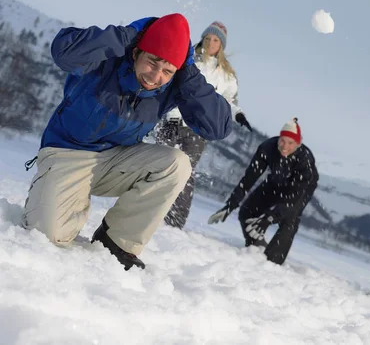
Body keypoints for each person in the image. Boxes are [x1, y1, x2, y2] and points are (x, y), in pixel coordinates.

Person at [21, 14, 232, 270]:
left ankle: (117, 241)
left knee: (177, 164)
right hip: (68, 153)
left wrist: (188, 74)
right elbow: (63, 51)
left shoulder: (176, 83)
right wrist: (125, 36)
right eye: (151, 63)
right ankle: (61, 198)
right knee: (48, 235)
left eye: (167, 70)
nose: (155, 77)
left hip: (117, 159)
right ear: (136, 53)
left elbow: (218, 127)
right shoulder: (107, 58)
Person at [156, 21, 251, 229]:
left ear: (221, 45)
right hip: (172, 119)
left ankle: (174, 221)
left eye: (215, 40)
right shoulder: (188, 58)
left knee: (185, 172)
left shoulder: (227, 76)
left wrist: (239, 115)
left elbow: (230, 103)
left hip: (196, 129)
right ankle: (148, 206)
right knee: (156, 163)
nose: (210, 42)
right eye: (207, 38)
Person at [208, 118, 318, 265]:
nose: (285, 146)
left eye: (290, 143)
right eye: (282, 141)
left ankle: (272, 262)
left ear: (298, 143)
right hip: (275, 181)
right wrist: (230, 205)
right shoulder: (268, 148)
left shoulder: (305, 159)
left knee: (289, 218)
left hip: (300, 190)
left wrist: (269, 218)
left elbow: (292, 199)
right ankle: (256, 248)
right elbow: (248, 180)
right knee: (247, 211)